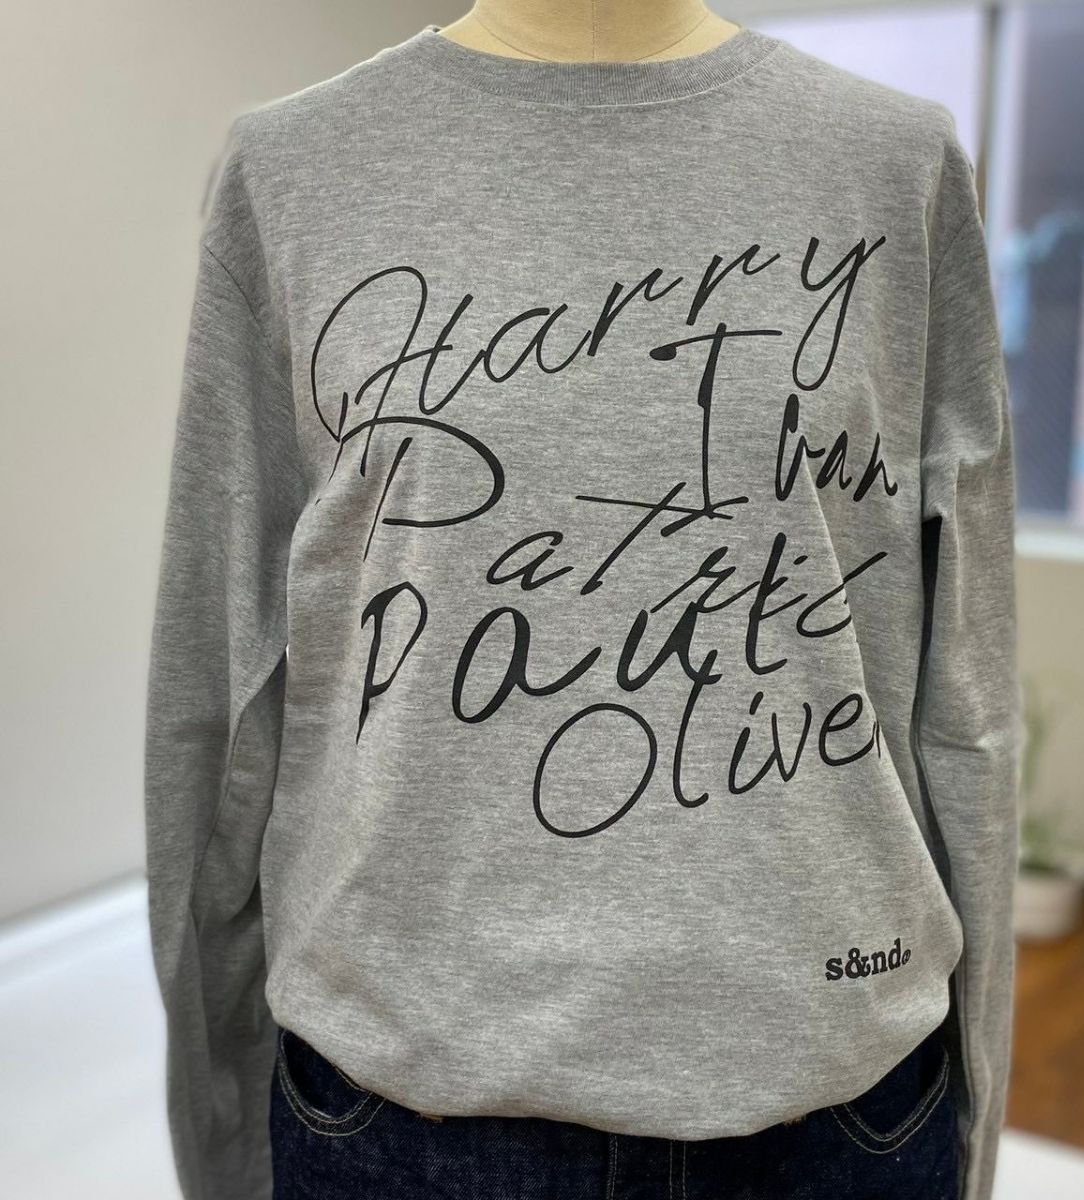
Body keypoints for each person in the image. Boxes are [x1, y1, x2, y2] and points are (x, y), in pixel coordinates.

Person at [143, 2, 1023, 1198]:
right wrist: (221, 1135)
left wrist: (976, 1120)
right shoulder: (291, 169)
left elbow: (966, 693)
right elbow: (215, 686)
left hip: (834, 1094)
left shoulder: (898, 165)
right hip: (405, 1112)